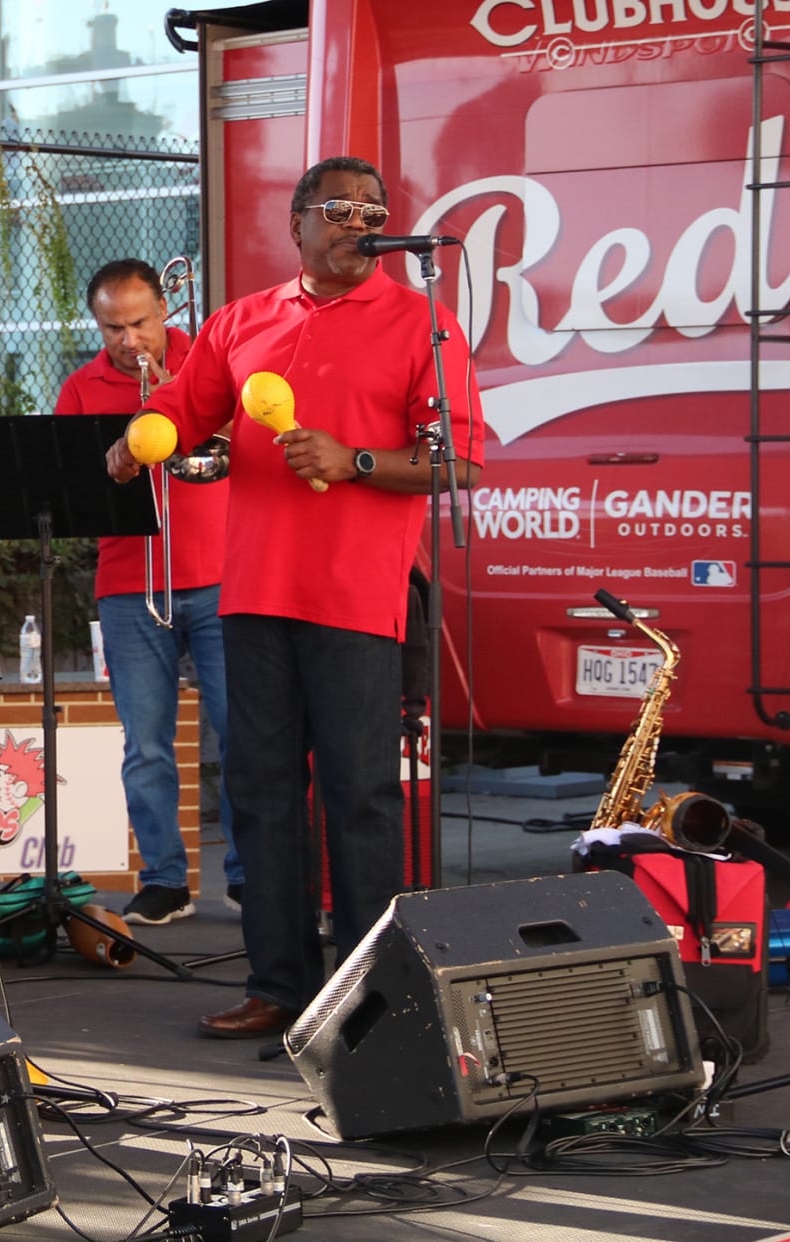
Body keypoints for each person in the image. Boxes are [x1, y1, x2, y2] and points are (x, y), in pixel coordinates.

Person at [112, 157, 484, 1038]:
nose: (360, 222)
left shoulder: (422, 322)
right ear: (299, 223)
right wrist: (138, 439)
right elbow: (183, 406)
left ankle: (367, 1001)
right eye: (340, 209)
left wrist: (355, 461)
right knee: (261, 792)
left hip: (358, 599)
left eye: (374, 211)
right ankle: (280, 986)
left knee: (359, 797)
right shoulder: (243, 321)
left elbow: (457, 460)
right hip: (254, 595)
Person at [54, 259, 241, 926]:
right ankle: (165, 879)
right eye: (112, 327)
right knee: (147, 745)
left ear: (166, 311)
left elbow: (241, 452)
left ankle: (251, 876)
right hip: (130, 585)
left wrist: (172, 396)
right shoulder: (81, 387)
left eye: (139, 323)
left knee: (244, 732)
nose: (128, 340)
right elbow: (72, 494)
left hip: (221, 576)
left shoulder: (209, 364)